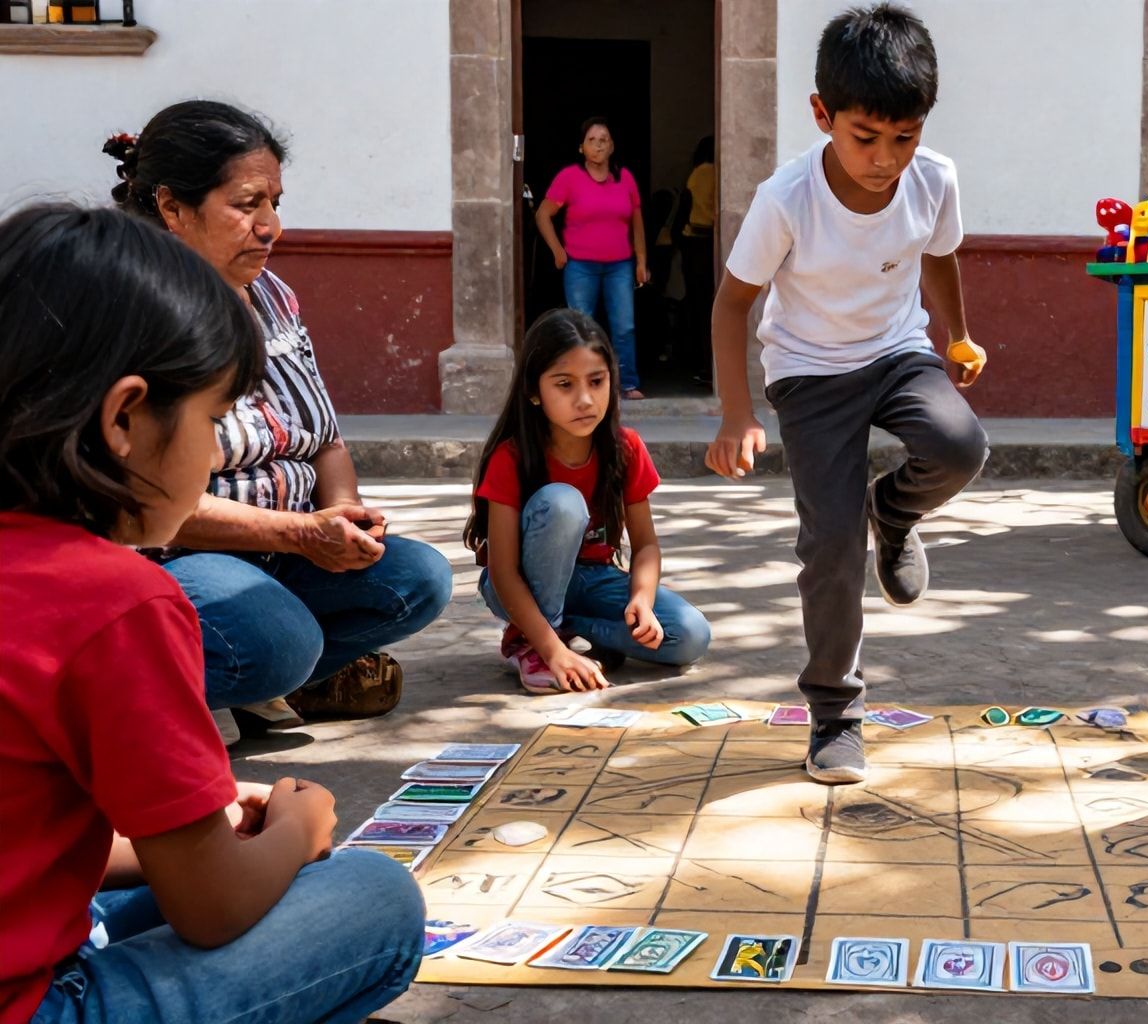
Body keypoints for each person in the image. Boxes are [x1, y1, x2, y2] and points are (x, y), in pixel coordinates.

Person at [0, 203, 423, 1024]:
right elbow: (214, 908)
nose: (212, 456)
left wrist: (203, 818)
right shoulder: (117, 601)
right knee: (375, 899)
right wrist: (297, 826)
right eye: (209, 422)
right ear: (125, 418)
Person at [105, 100, 453, 744]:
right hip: (181, 557)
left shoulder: (272, 294)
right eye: (246, 205)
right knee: (275, 640)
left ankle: (266, 681)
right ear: (172, 208)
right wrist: (299, 534)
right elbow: (148, 501)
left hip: (286, 547)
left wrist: (342, 516)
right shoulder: (138, 310)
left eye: (276, 203)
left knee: (417, 578)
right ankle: (144, 700)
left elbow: (325, 437)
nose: (271, 227)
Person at [705, 3, 989, 784]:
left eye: (905, 137)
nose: (885, 159)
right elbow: (733, 304)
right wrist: (738, 412)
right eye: (866, 137)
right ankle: (835, 715)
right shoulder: (786, 197)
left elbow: (940, 256)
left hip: (897, 353)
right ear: (822, 115)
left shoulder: (933, 179)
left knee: (961, 446)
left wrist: (955, 334)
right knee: (828, 545)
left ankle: (891, 514)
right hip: (809, 373)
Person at [465, 308, 711, 693]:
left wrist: (642, 602)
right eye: (564, 385)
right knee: (563, 502)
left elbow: (645, 545)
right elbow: (503, 572)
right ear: (533, 392)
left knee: (690, 635)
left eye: (596, 381)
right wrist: (553, 652)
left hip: (593, 579)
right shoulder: (512, 457)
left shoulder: (625, 447)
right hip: (517, 583)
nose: (584, 399)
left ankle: (571, 627)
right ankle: (535, 644)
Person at [535, 117, 650, 400]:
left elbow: (637, 222)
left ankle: (627, 383)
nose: (598, 145)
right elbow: (543, 214)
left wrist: (641, 261)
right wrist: (557, 250)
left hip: (620, 265)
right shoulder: (569, 178)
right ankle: (584, 385)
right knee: (582, 327)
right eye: (592, 140)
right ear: (581, 148)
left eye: (604, 140)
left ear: (612, 146)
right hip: (581, 266)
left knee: (624, 325)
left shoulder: (625, 178)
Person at [676, 136, 718, 383]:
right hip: (710, 242)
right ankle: (707, 365)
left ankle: (701, 364)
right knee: (709, 306)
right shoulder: (717, 173)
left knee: (698, 305)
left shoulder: (700, 172)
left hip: (695, 242)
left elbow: (687, 203)